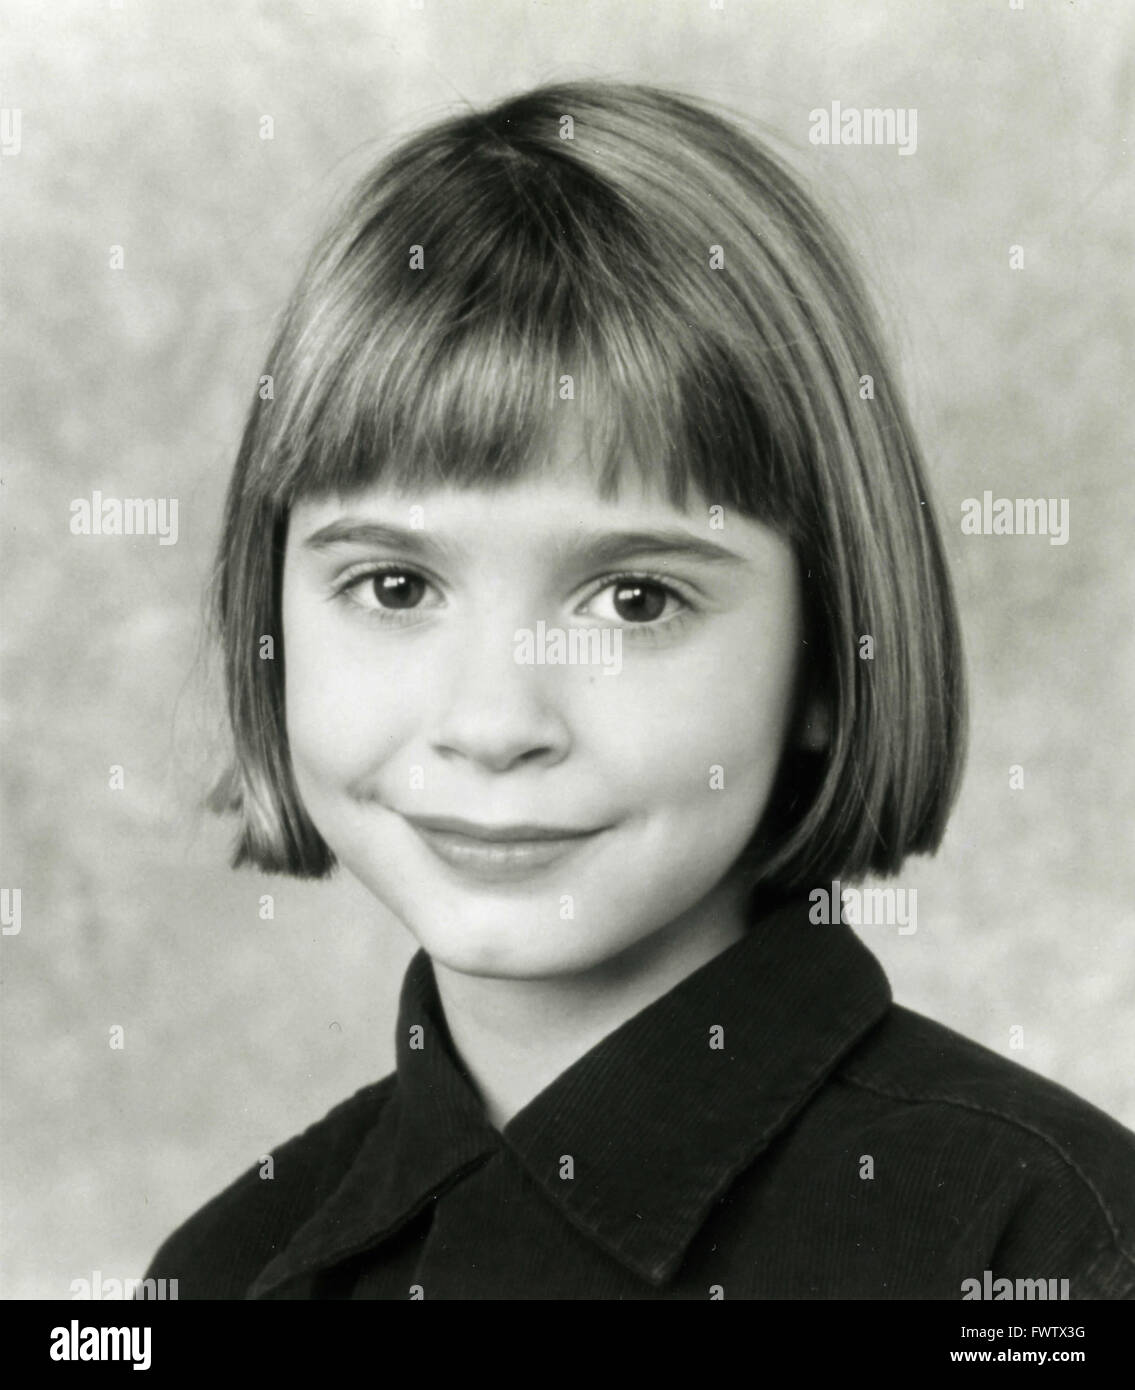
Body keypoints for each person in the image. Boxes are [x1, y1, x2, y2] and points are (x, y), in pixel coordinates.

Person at [145, 80, 1135, 1300]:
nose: (494, 725)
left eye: (633, 601)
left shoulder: (1044, 1249)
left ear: (831, 655)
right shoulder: (224, 1268)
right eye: (396, 586)